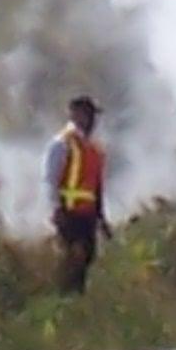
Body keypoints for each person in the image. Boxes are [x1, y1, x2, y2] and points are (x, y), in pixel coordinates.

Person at [43, 94, 112, 292]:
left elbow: (96, 188)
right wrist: (56, 210)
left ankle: (74, 303)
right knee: (71, 263)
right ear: (76, 115)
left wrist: (101, 219)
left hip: (87, 216)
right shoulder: (62, 143)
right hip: (69, 214)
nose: (93, 121)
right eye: (88, 115)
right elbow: (51, 179)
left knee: (86, 261)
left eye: (93, 116)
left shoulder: (93, 149)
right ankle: (64, 301)